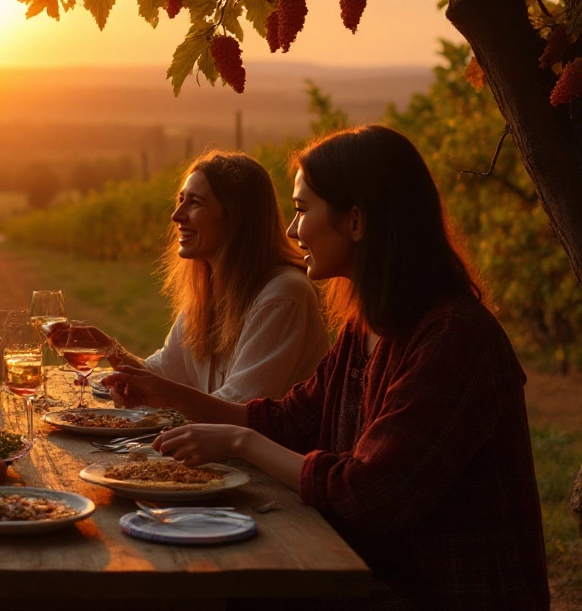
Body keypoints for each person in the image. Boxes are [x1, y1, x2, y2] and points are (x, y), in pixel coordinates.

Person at [105, 126, 549, 609]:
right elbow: (293, 419)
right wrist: (165, 393)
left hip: (437, 593)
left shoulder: (452, 338)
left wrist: (239, 441)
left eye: (300, 210)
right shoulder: (368, 328)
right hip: (369, 567)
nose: (293, 232)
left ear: (355, 222)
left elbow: (370, 493)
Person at [65, 151, 327, 402]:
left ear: (236, 218)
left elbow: (240, 408)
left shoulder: (282, 296)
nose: (176, 215)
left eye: (195, 203)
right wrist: (109, 348)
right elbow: (162, 374)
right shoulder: (210, 291)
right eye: (181, 200)